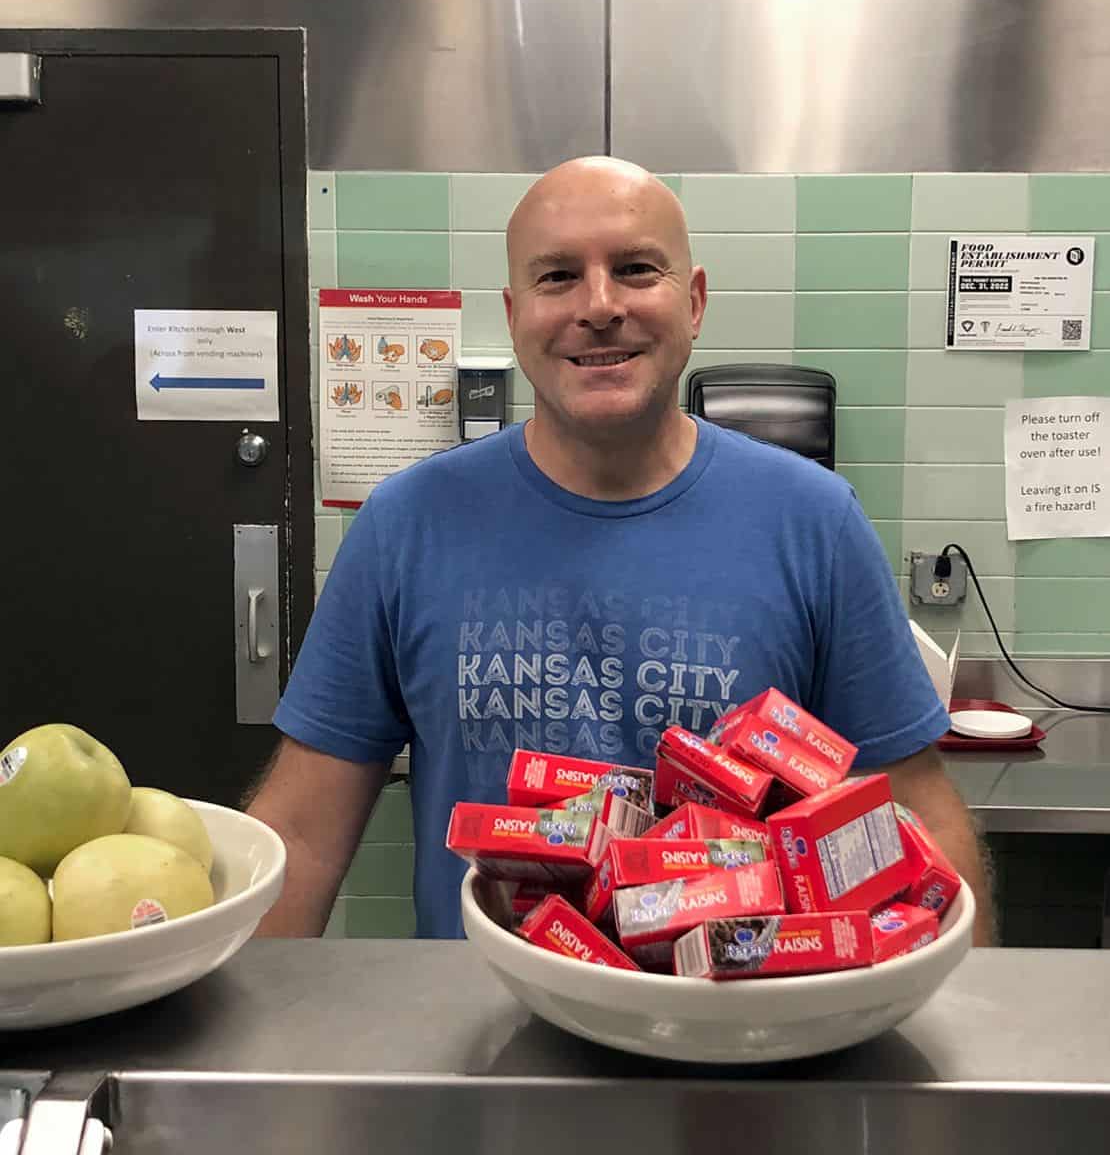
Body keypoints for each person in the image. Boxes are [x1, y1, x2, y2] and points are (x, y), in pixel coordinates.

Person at [248, 156, 993, 944]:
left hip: (738, 1037)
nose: (599, 306)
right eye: (558, 277)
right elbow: (299, 834)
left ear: (695, 301)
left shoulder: (814, 523)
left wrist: (965, 1033)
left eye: (636, 269)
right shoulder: (408, 523)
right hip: (479, 1043)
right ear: (513, 313)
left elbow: (919, 822)